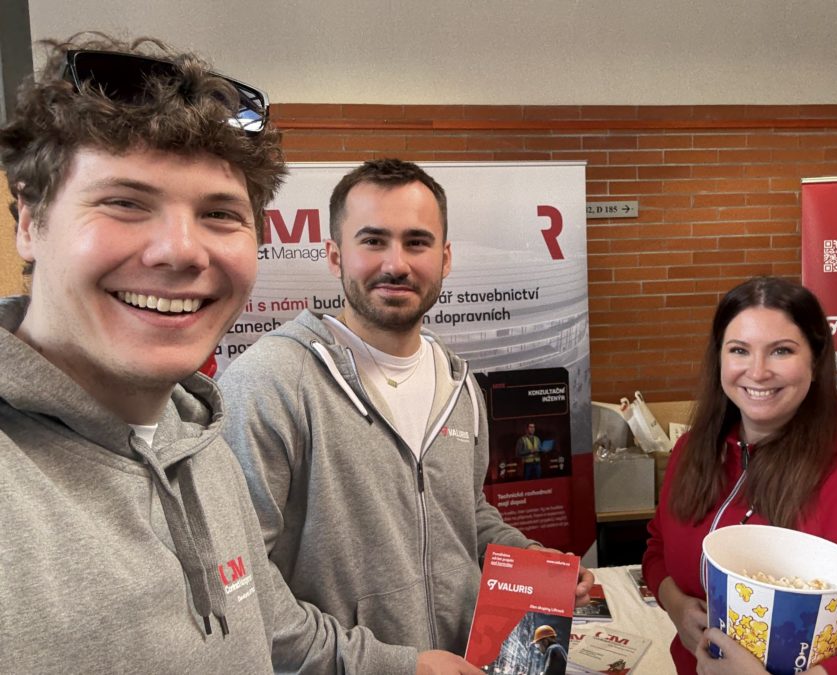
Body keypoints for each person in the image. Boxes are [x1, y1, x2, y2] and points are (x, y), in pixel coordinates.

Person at [0, 34, 391, 672]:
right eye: (125, 203)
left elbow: (272, 630)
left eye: (219, 215)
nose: (182, 251)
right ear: (28, 221)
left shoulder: (197, 439)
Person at [219, 158, 592, 673]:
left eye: (417, 242)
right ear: (334, 255)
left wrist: (534, 561)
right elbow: (239, 585)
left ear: (445, 259)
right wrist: (396, 666)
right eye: (373, 241)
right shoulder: (271, 382)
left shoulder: (458, 383)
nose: (396, 264)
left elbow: (465, 513)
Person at [642, 276, 837, 675]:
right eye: (739, 350)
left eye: (781, 351)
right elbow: (658, 548)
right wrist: (677, 605)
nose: (757, 371)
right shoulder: (693, 452)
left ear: (816, 361)